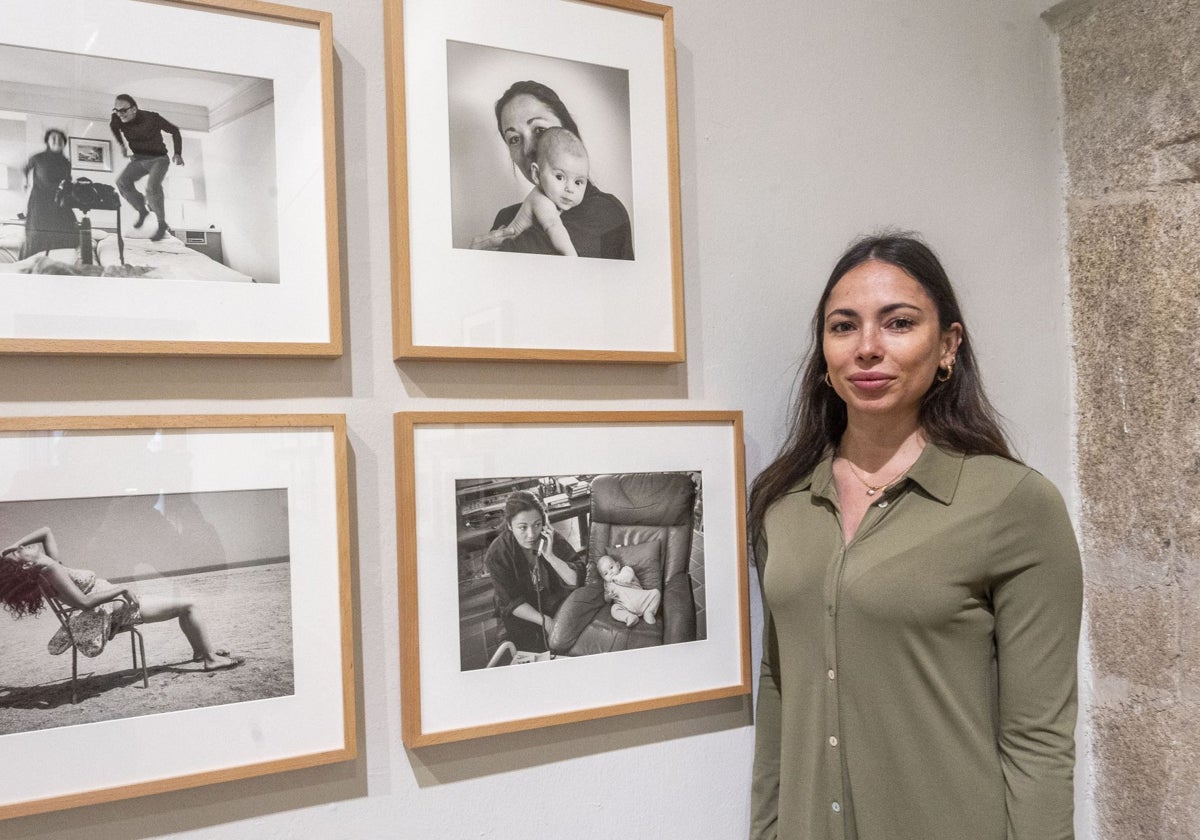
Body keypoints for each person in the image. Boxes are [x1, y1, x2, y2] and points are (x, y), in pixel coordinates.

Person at [746, 234, 1082, 840]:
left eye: (898, 323)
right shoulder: (782, 504)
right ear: (824, 352)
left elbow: (1039, 739)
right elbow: (778, 692)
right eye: (843, 327)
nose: (867, 348)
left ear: (948, 345)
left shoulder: (1016, 506)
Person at [1, 526, 241, 672]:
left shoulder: (51, 566)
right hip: (115, 611)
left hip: (115, 606)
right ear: (27, 565)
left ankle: (201, 652)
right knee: (188, 606)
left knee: (184, 606)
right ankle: (210, 659)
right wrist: (120, 590)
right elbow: (82, 603)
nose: (25, 547)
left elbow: (45, 530)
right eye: (21, 552)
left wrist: (14, 546)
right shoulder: (50, 572)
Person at [471, 80, 633, 260]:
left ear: (569, 131)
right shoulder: (506, 217)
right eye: (514, 139)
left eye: (539, 130)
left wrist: (475, 261)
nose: (528, 149)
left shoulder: (605, 212)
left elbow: (513, 266)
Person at [483, 491, 585, 653]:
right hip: (522, 610)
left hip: (552, 600)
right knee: (531, 650)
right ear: (509, 525)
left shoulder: (551, 539)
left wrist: (550, 556)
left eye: (537, 524)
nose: (531, 535)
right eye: (522, 527)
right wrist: (546, 621)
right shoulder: (497, 554)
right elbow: (512, 601)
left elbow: (576, 581)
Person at [497, 127, 589, 256]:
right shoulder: (540, 200)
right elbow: (554, 227)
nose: (570, 189)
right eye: (559, 177)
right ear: (537, 174)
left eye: (578, 182)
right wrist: (573, 257)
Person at [109, 93, 184, 242]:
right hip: (138, 159)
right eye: (116, 110)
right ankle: (143, 211)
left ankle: (162, 224)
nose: (119, 114)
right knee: (122, 182)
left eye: (123, 110)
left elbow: (174, 131)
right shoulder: (117, 119)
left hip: (159, 159)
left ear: (134, 109)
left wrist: (177, 153)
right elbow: (114, 128)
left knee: (152, 188)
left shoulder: (153, 118)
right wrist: (122, 145)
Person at [19, 128, 79, 259]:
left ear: (64, 143)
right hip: (40, 201)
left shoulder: (66, 161)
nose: (57, 141)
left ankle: (56, 264)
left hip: (59, 201)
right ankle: (31, 265)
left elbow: (68, 180)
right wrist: (25, 182)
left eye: (60, 139)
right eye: (54, 138)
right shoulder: (38, 157)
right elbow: (24, 168)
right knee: (37, 233)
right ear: (48, 141)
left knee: (67, 232)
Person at [596, 554, 660, 627]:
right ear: (603, 578)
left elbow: (628, 578)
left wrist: (616, 578)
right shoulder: (607, 585)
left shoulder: (626, 570)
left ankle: (649, 611)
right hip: (625, 607)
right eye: (606, 573)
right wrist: (609, 596)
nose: (610, 573)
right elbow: (607, 600)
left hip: (642, 598)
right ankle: (629, 617)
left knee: (656, 593)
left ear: (618, 565)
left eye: (611, 567)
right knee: (614, 609)